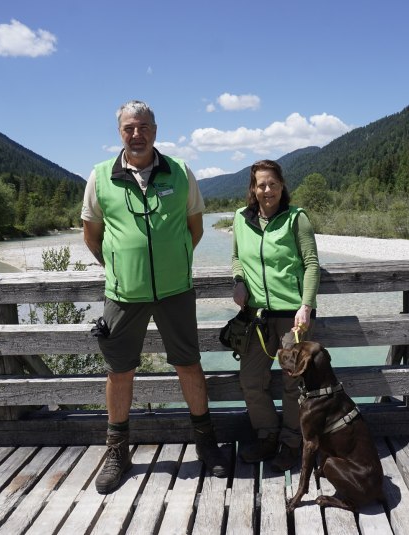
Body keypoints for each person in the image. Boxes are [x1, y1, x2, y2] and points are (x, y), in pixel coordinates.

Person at [81, 100, 228, 494]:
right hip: (123, 294)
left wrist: (171, 260)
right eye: (129, 127)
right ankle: (116, 451)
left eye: (144, 126)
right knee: (119, 371)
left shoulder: (180, 172)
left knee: (189, 363)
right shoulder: (99, 176)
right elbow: (92, 235)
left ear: (155, 130)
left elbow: (194, 229)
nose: (137, 133)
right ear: (120, 132)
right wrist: (119, 265)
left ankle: (206, 443)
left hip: (175, 290)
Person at [231, 159, 320, 472]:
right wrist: (239, 281)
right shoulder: (241, 219)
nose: (266, 190)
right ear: (252, 189)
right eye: (260, 185)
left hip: (292, 316)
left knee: (291, 384)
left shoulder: (297, 218)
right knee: (251, 379)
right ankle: (267, 436)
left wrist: (306, 305)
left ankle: (292, 442)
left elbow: (311, 264)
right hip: (257, 317)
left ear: (282, 186)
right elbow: (236, 259)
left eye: (272, 184)